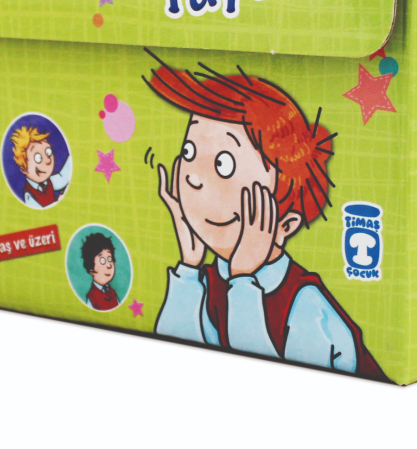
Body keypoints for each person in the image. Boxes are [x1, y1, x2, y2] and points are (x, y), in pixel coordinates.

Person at [145, 52, 388, 380]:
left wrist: (244, 278)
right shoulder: (212, 279)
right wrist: (189, 267)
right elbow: (176, 347)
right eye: (189, 152)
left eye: (223, 165)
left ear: (284, 226)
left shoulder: (304, 304)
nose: (194, 177)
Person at [10, 125, 72, 208]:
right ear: (24, 169)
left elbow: (63, 177)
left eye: (48, 152)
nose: (48, 160)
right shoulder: (29, 195)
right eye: (38, 158)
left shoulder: (48, 182)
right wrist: (58, 201)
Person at [81, 232, 120, 311]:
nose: (109, 265)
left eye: (110, 259)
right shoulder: (91, 297)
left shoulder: (113, 293)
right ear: (91, 269)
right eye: (102, 260)